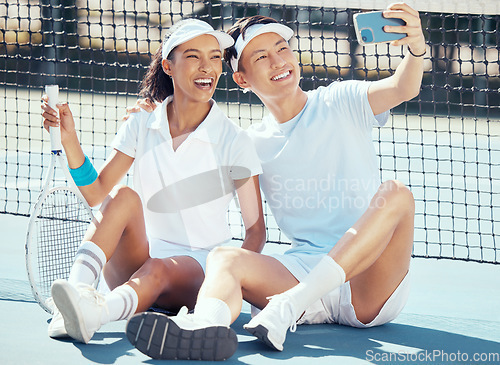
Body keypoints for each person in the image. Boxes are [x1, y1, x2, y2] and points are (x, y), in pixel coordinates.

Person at [124, 2, 425, 360]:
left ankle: (287, 307)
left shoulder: (341, 100)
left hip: (368, 287)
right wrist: (153, 120)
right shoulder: (248, 144)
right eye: (262, 56)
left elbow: (404, 86)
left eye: (283, 49)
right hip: (301, 269)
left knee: (396, 194)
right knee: (224, 257)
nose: (279, 61)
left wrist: (416, 48)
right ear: (242, 78)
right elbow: (184, 170)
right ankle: (206, 327)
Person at [40, 19, 265, 354]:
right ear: (168, 66)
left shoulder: (235, 141)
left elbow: (256, 232)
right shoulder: (142, 122)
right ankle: (74, 299)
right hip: (135, 263)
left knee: (159, 268)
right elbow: (96, 192)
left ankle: (96, 313)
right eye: (193, 56)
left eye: (215, 57)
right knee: (123, 196)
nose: (207, 67)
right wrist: (70, 140)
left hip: (201, 271)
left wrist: (229, 282)